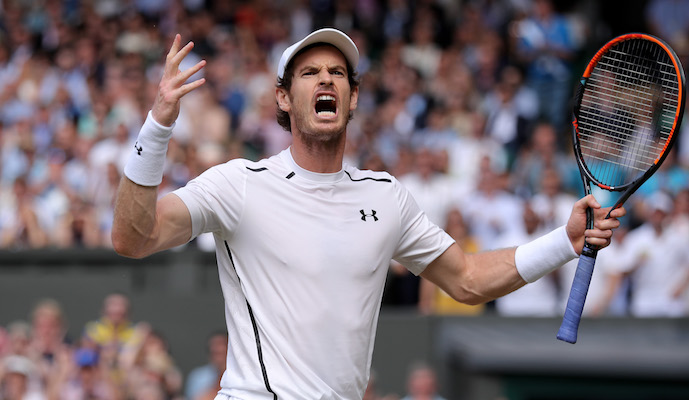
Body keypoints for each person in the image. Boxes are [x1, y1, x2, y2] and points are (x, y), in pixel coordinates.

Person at [111, 28, 624, 399]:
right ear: (284, 99)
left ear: (353, 98)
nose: (326, 80)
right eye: (309, 73)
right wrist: (158, 126)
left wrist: (566, 241)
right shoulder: (238, 184)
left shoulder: (386, 197)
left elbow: (467, 280)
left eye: (337, 73)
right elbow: (133, 238)